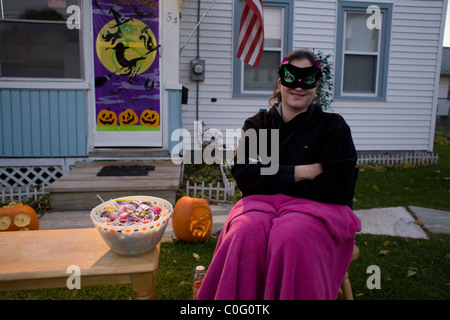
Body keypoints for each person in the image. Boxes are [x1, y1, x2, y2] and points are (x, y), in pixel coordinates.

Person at [196, 49, 361, 300]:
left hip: (316, 210)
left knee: (289, 235)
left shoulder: (332, 126)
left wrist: (272, 177)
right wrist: (302, 172)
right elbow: (247, 177)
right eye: (291, 77)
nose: (298, 87)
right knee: (245, 231)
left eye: (307, 80)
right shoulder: (261, 125)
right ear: (280, 80)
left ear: (316, 85)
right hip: (261, 207)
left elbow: (339, 187)